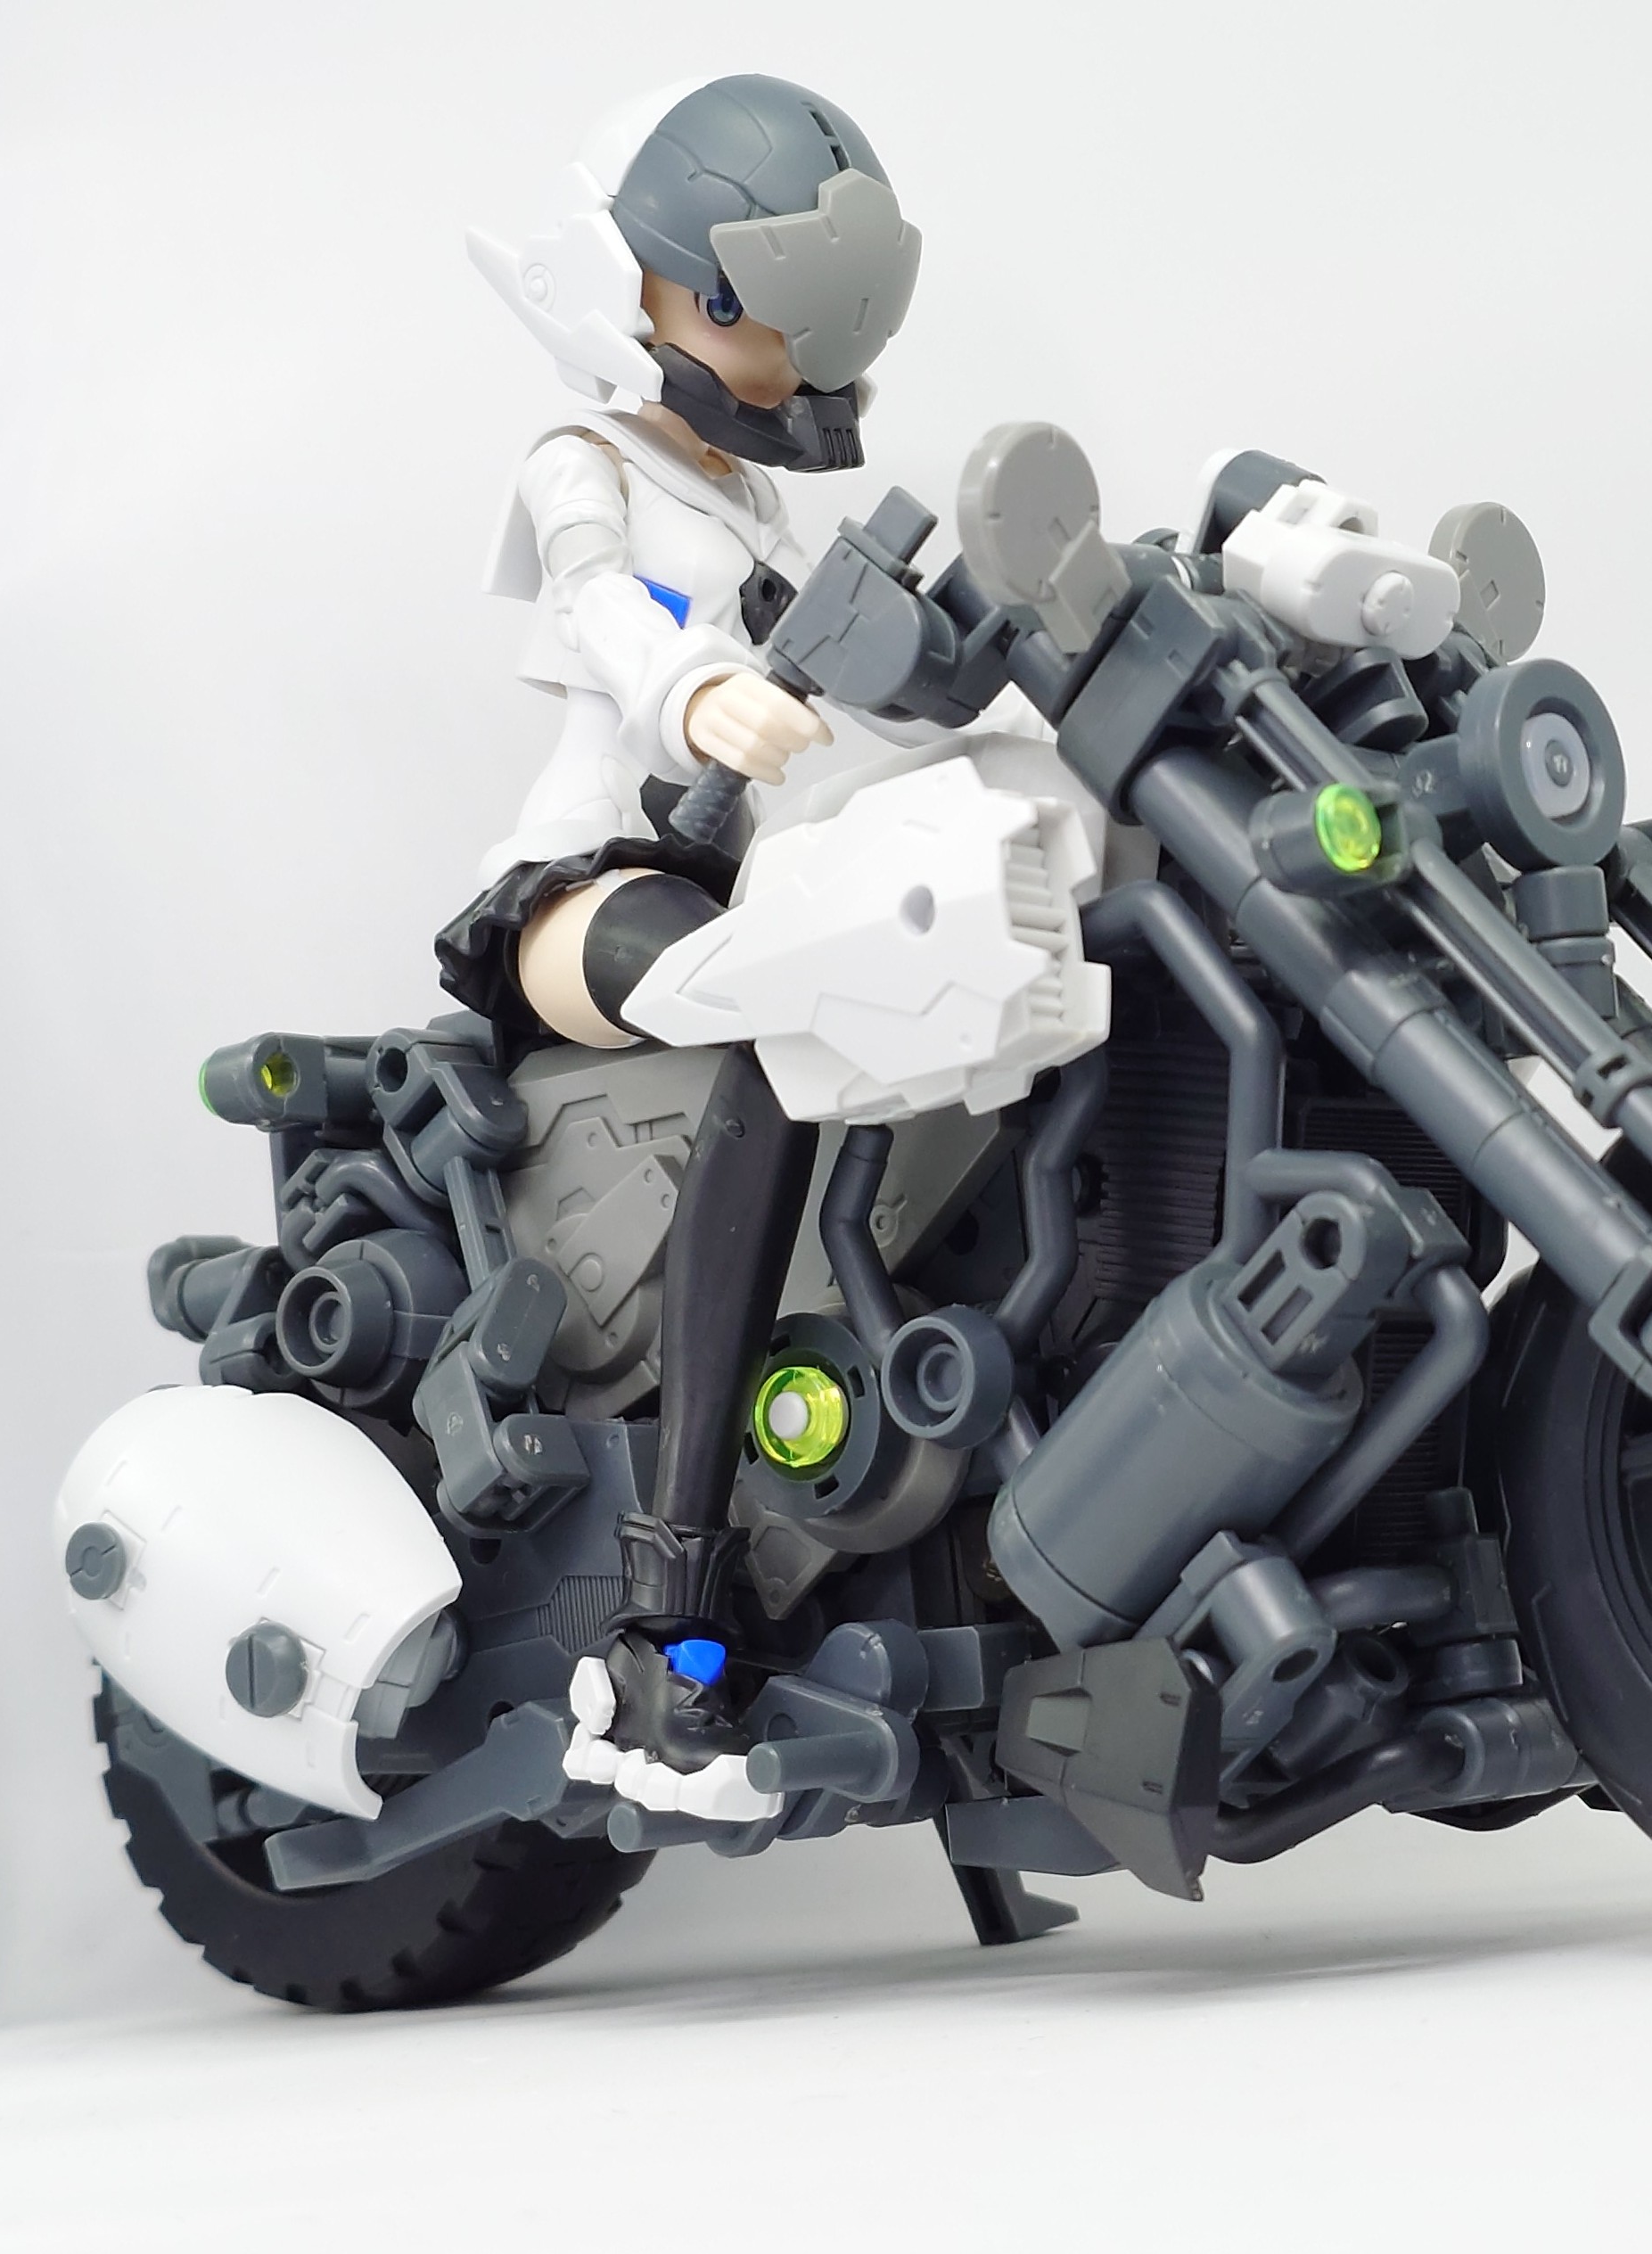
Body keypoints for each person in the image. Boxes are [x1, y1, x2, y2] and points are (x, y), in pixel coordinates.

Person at [451, 74, 925, 1820]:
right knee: (779, 1028)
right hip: (577, 889)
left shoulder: (754, 507)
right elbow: (601, 601)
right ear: (637, 286)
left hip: (730, 889)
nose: (771, 358)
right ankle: (672, 1614)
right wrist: (691, 686)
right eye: (736, 311)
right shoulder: (582, 463)